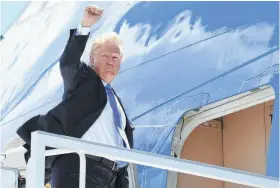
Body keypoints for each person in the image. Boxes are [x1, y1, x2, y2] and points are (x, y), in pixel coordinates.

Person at [16, 5, 135, 188]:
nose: (111, 62)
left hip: (111, 176)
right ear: (92, 59)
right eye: (105, 56)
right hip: (79, 168)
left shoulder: (116, 105)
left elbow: (122, 146)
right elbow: (68, 62)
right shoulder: (82, 81)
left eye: (115, 58)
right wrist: (85, 26)